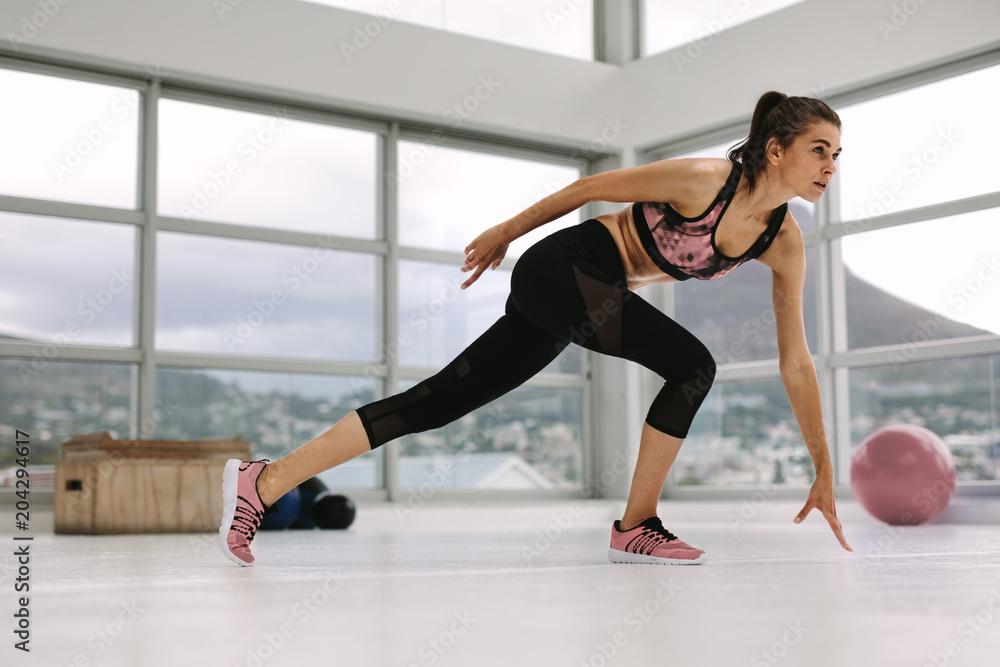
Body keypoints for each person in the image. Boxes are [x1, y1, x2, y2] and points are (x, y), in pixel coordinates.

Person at [219, 90, 854, 568]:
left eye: (837, 154)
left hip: (578, 298)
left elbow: (795, 361)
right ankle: (637, 525)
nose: (830, 164)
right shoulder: (703, 182)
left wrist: (823, 466)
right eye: (819, 149)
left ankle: (265, 481)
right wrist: (504, 233)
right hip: (561, 271)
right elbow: (588, 186)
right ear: (777, 150)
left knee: (434, 404)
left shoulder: (783, 242)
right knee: (693, 365)